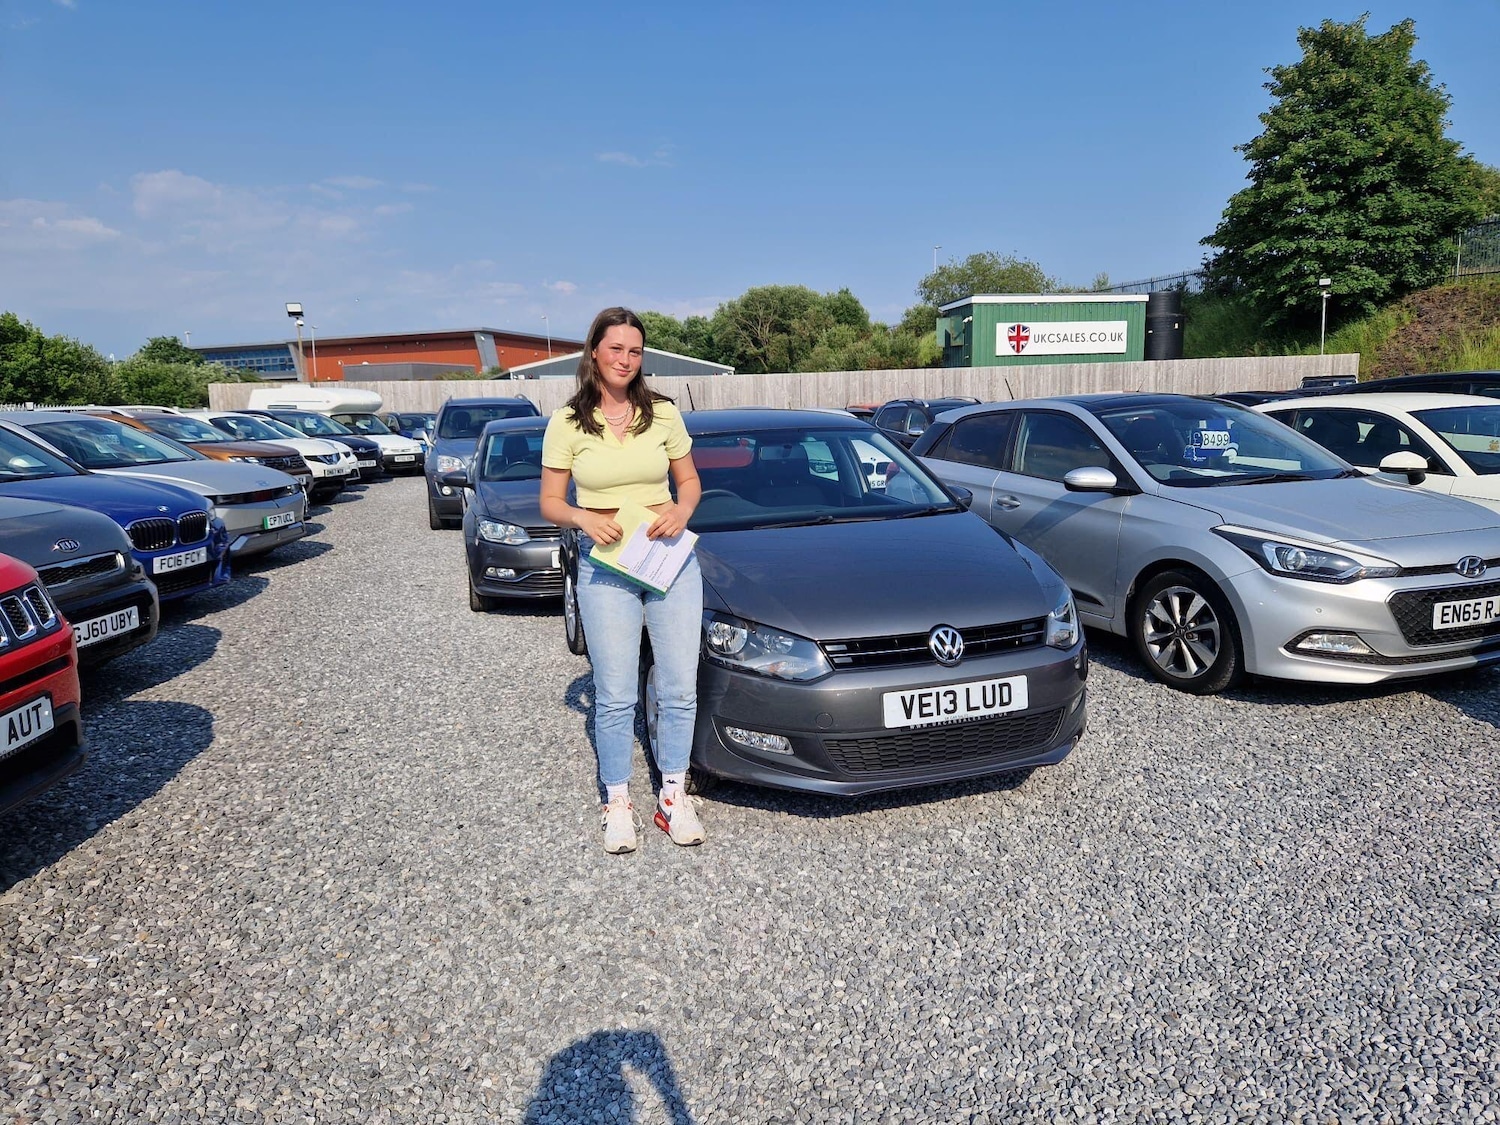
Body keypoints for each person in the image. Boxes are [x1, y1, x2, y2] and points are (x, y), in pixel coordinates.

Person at [539, 307, 705, 854]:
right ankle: (616, 801)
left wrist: (682, 512)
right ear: (594, 353)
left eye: (634, 352)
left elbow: (690, 484)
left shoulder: (661, 413)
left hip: (667, 559)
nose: (625, 360)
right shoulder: (566, 422)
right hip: (606, 564)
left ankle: (673, 796)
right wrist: (584, 518)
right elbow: (549, 502)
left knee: (679, 686)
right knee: (613, 695)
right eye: (616, 350)